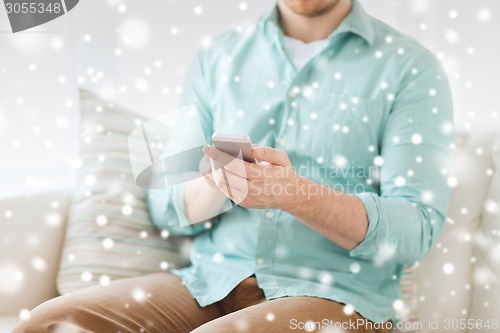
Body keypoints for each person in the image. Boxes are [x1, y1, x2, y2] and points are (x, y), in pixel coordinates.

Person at [13, 0, 453, 332]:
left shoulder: (410, 68)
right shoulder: (219, 59)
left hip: (339, 299)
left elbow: (416, 228)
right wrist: (222, 183)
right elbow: (169, 204)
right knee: (49, 322)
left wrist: (294, 194)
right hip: (211, 284)